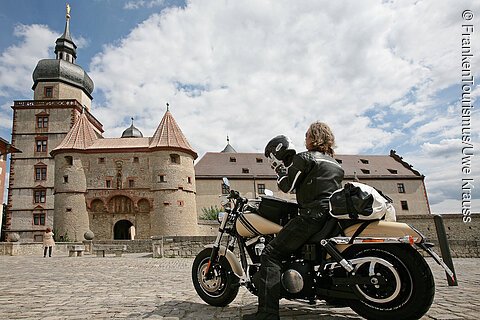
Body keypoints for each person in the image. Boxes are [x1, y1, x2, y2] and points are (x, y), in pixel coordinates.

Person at [243, 121, 344, 320]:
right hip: (332, 216)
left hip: (311, 215)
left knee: (271, 254)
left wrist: (278, 168)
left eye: (307, 135)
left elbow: (287, 186)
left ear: (314, 137)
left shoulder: (305, 158)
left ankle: (267, 314)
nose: (304, 139)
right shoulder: (335, 164)